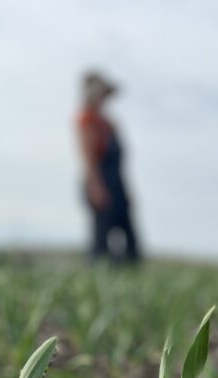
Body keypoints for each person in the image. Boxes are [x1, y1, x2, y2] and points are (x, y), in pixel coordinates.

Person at [77, 70, 141, 264]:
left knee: (129, 239)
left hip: (116, 181)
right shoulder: (87, 119)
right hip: (101, 180)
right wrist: (95, 186)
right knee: (101, 239)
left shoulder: (108, 122)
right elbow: (88, 158)